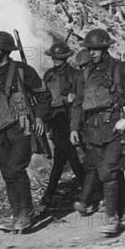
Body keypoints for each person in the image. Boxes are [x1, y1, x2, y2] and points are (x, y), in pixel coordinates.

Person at [70, 28, 125, 235]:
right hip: (92, 130)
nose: (92, 53)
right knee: (105, 172)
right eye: (89, 49)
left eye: (96, 49)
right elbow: (78, 104)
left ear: (105, 48)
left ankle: (111, 218)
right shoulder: (85, 74)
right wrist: (74, 128)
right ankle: (123, 215)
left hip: (115, 127)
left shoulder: (121, 70)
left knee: (108, 171)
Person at [0, 31, 52, 232]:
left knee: (16, 168)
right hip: (0, 131)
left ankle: (26, 213)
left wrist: (41, 117)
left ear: (6, 50)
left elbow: (44, 95)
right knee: (7, 172)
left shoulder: (23, 71)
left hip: (22, 128)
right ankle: (17, 215)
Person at [41, 41, 85, 206]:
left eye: (59, 58)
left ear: (66, 58)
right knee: (64, 157)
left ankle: (49, 194)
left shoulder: (75, 75)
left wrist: (69, 101)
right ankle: (89, 190)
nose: (56, 60)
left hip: (69, 120)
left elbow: (79, 99)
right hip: (55, 120)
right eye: (54, 58)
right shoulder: (48, 75)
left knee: (66, 157)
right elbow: (44, 99)